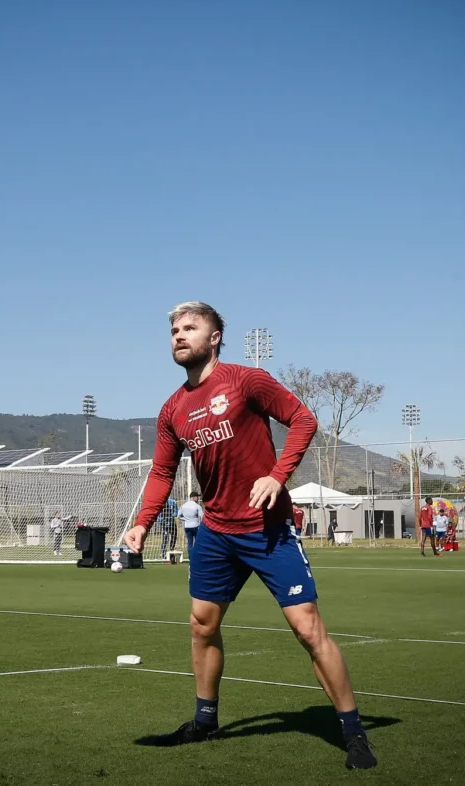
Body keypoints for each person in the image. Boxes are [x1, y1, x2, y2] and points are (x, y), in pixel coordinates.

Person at [123, 301, 376, 769]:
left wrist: (278, 475)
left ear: (215, 336)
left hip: (268, 529)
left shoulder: (245, 381)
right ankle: (205, 720)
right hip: (216, 533)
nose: (179, 335)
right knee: (202, 624)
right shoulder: (172, 408)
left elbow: (303, 419)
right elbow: (162, 471)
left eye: (190, 327)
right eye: (174, 329)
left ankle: (354, 731)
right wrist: (142, 521)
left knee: (307, 628)